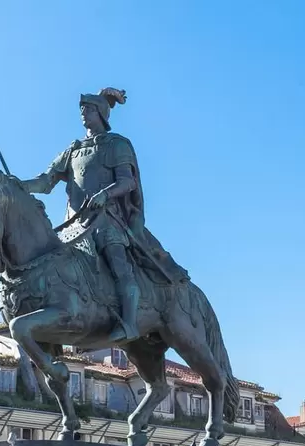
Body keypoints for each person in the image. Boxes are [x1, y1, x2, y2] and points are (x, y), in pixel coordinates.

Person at [21, 90, 187, 346]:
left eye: (87, 109)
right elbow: (45, 182)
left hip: (107, 220)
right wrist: (19, 186)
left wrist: (104, 194)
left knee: (118, 262)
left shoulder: (116, 144)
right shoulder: (73, 150)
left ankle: (130, 322)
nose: (82, 113)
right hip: (73, 226)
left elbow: (127, 182)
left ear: (100, 112)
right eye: (81, 109)